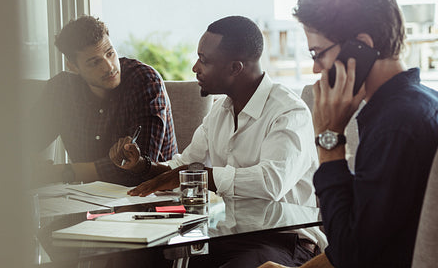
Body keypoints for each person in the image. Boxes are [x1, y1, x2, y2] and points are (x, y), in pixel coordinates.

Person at [260, 0, 438, 268]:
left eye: (318, 53)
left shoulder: (396, 126)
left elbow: (351, 255)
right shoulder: (436, 104)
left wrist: (330, 139)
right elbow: (368, 237)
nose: (316, 69)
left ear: (361, 47)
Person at [110, 15, 326, 267]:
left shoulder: (288, 112)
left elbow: (271, 182)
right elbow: (182, 168)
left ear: (235, 67)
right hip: (225, 236)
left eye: (204, 60)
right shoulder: (220, 111)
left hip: (284, 241)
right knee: (135, 255)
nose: (195, 68)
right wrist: (142, 166)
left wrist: (201, 175)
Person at [28, 15, 177, 187]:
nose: (109, 67)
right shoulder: (61, 89)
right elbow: (25, 143)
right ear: (73, 67)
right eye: (94, 62)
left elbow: (137, 166)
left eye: (110, 53)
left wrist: (60, 172)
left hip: (149, 198)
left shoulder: (144, 81)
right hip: (87, 200)